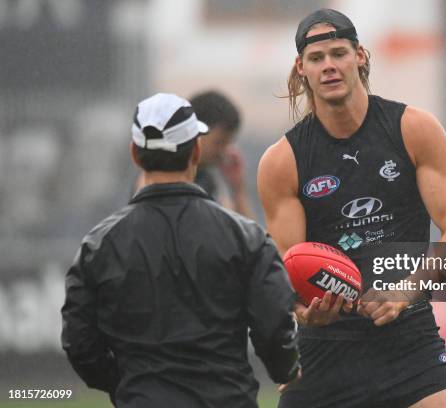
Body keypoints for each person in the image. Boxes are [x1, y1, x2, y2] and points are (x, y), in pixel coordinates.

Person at [257, 9, 446, 408]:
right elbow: (288, 267)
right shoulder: (282, 161)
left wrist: (406, 291)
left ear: (360, 55)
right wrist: (303, 309)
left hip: (409, 340)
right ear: (300, 68)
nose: (329, 66)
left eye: (338, 53)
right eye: (317, 58)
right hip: (323, 353)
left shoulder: (413, 129)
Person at [62, 93, 299, 408]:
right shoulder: (245, 237)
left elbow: (80, 342)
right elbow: (273, 324)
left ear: (135, 153)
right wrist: (286, 367)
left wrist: (128, 386)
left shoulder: (99, 245)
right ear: (196, 149)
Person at [134, 90, 254, 218]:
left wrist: (238, 188)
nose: (224, 152)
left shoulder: (208, 181)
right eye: (219, 142)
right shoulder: (158, 176)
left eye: (228, 144)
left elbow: (245, 233)